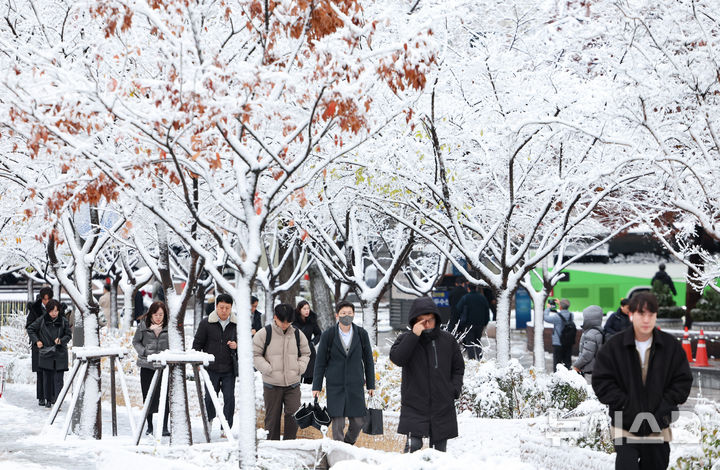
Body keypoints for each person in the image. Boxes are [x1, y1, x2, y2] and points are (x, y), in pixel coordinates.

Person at [592, 292, 692, 470]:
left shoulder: (670, 346)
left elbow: (682, 381)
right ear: (631, 315)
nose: (646, 320)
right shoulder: (614, 347)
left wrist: (665, 406)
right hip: (625, 423)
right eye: (641, 314)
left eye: (651, 315)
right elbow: (602, 381)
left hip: (658, 424)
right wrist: (624, 404)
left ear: (656, 316)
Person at [389, 296, 465, 453]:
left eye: (430, 319)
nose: (427, 324)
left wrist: (453, 390)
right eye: (422, 320)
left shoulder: (447, 340)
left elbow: (458, 368)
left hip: (442, 405)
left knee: (439, 453)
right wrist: (413, 336)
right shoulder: (406, 339)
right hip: (414, 405)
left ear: (436, 318)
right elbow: (397, 359)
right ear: (415, 321)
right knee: (413, 448)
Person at [312, 301, 375, 444]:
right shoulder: (328, 335)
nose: (347, 316)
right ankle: (339, 454)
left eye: (349, 313)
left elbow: (368, 360)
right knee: (338, 423)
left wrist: (371, 384)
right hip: (335, 385)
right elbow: (320, 362)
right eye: (343, 313)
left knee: (359, 421)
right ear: (337, 315)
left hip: (355, 384)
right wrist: (316, 386)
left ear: (354, 315)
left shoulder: (361, 334)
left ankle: (346, 445)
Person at [252, 303, 310, 441]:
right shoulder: (264, 333)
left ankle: (289, 446)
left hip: (293, 384)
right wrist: (267, 369)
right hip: (272, 385)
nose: (285, 325)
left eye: (289, 322)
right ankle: (272, 448)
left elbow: (306, 353)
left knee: (294, 415)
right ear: (275, 318)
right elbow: (254, 355)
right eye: (282, 322)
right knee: (272, 420)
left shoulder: (297, 334)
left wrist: (299, 368)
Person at [192, 293, 238, 433]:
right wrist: (198, 363)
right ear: (216, 306)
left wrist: (237, 345)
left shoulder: (237, 324)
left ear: (231, 308)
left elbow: (246, 344)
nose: (224, 311)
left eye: (227, 308)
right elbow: (197, 344)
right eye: (221, 307)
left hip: (229, 368)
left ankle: (226, 428)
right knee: (210, 398)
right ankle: (209, 421)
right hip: (210, 368)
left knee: (229, 398)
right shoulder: (206, 323)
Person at [132, 301, 170, 436]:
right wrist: (144, 352)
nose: (159, 317)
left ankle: (164, 427)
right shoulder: (143, 325)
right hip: (147, 366)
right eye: (156, 314)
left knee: (164, 397)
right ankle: (150, 426)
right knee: (148, 396)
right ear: (151, 315)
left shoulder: (169, 327)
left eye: (161, 314)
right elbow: (135, 341)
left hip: (164, 367)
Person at [26, 299, 71, 408]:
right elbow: (30, 328)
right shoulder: (42, 320)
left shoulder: (64, 321)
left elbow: (69, 335)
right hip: (46, 352)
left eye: (56, 311)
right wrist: (37, 341)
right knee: (47, 378)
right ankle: (49, 400)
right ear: (48, 311)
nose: (54, 313)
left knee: (59, 379)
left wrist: (61, 340)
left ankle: (58, 400)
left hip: (60, 353)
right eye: (52, 311)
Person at [26, 287, 53, 406]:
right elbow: (29, 326)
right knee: (40, 372)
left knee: (50, 371)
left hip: (51, 344)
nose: (46, 301)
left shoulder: (55, 308)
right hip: (39, 344)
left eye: (48, 299)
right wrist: (36, 340)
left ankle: (50, 397)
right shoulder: (35, 309)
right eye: (44, 299)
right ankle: (41, 397)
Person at [455, 284, 490, 359]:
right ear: (476, 288)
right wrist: (485, 322)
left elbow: (458, 309)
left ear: (468, 289)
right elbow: (487, 310)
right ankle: (479, 358)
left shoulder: (465, 298)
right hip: (480, 324)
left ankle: (472, 359)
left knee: (469, 342)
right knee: (478, 341)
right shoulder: (482, 297)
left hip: (468, 324)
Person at [293, 300, 322, 384]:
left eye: (308, 308)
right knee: (296, 377)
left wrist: (313, 343)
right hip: (296, 351)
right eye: (304, 309)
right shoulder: (293, 321)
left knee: (309, 377)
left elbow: (318, 334)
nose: (307, 311)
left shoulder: (312, 320)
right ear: (299, 310)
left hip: (309, 351)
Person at [572, 305, 604, 378]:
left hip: (589, 371)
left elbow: (587, 355)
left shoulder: (590, 334)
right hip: (597, 368)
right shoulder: (600, 331)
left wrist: (576, 365)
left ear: (589, 319)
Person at [544, 298, 574, 371]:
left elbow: (545, 318)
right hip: (568, 343)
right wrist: (560, 303)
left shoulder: (557, 317)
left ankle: (557, 379)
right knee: (567, 363)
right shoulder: (571, 315)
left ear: (560, 307)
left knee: (557, 364)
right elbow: (564, 314)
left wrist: (548, 308)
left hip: (558, 344)